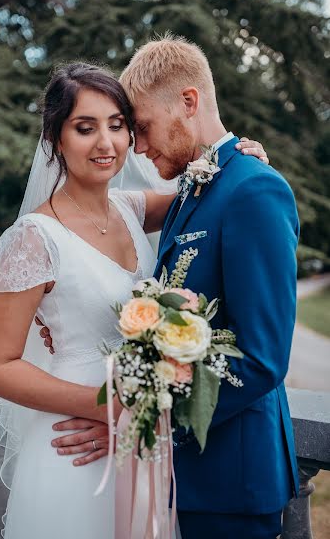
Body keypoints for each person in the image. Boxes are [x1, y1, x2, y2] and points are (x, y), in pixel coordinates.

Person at [0, 61, 267, 538]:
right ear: (56, 140)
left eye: (118, 126)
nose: (106, 144)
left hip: (139, 444)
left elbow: (217, 190)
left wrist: (243, 154)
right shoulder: (32, 238)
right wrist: (108, 408)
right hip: (75, 441)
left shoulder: (134, 208)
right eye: (84, 128)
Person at [120, 35, 300, 539]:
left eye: (143, 127)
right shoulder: (188, 190)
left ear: (188, 102)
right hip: (185, 477)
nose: (138, 146)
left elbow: (262, 357)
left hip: (233, 481)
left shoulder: (253, 188)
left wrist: (153, 415)